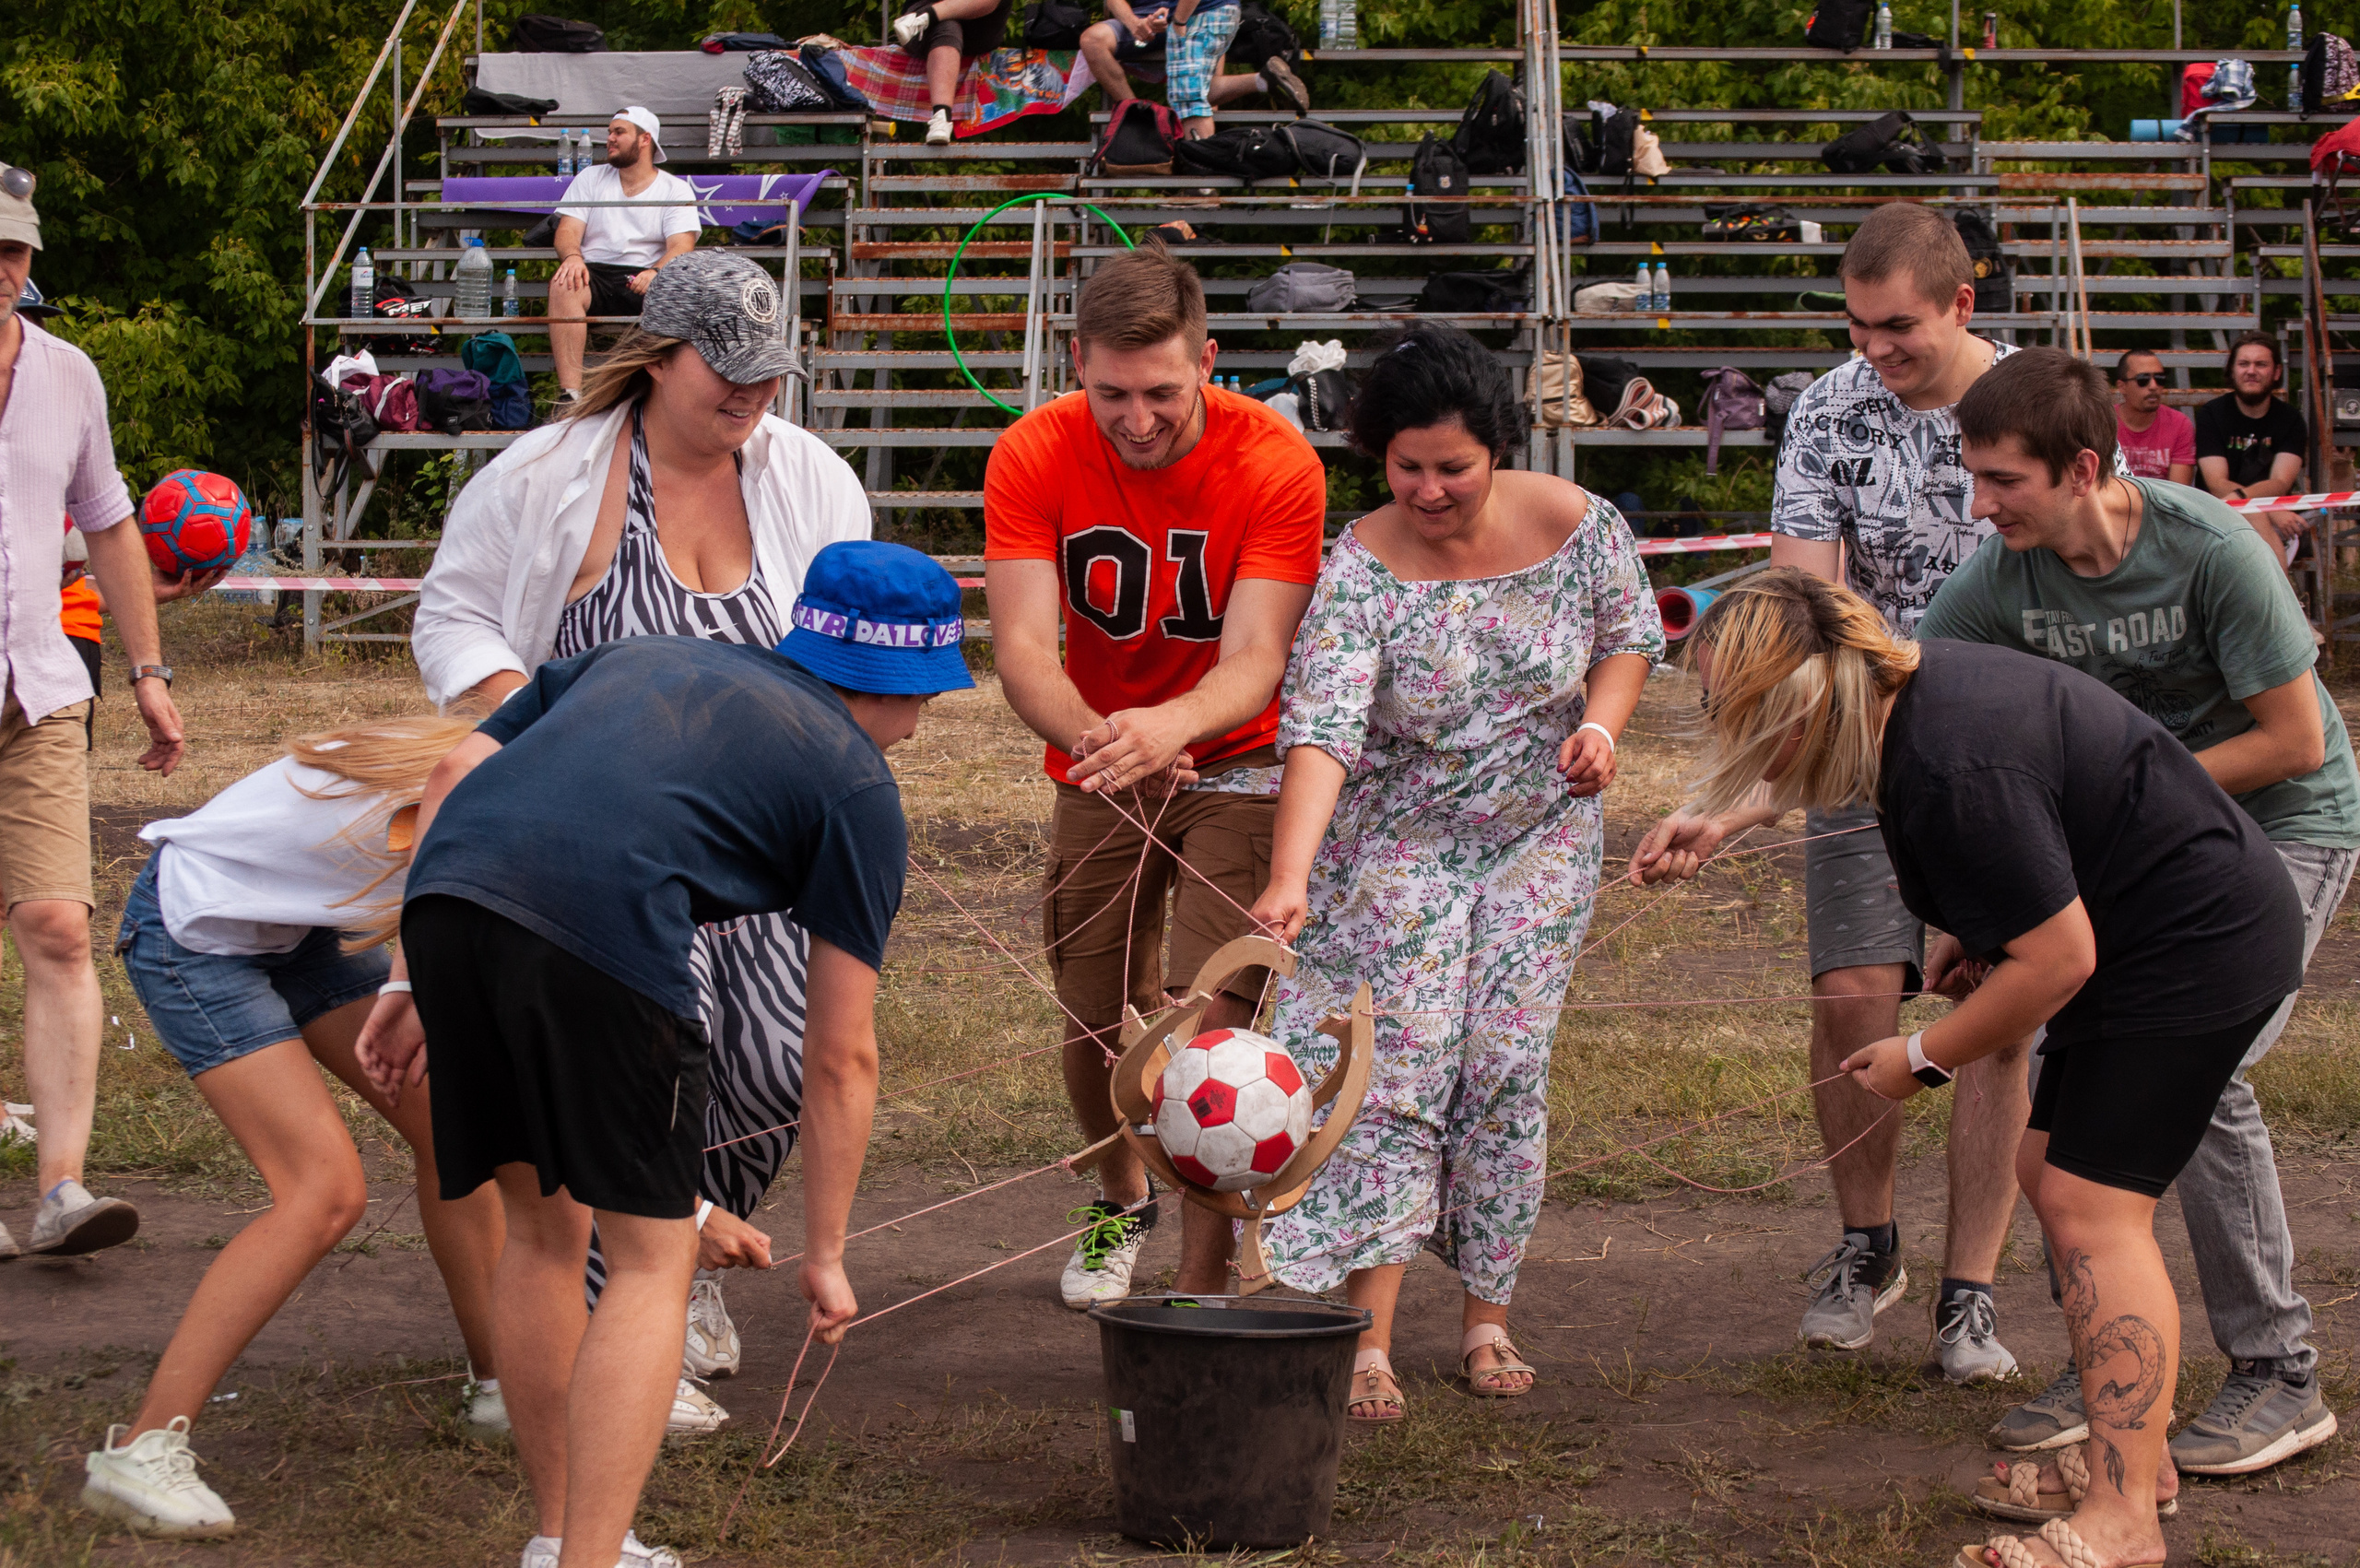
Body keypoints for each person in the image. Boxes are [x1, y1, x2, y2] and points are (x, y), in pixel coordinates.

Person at [1632, 569, 2306, 1568]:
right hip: (2148, 932)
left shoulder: (1948, 761)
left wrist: (1920, 1057)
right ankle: (2140, 1462)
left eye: (1739, 716)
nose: (1735, 742)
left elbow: (2061, 958)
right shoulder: (1911, 700)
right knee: (2047, 1175)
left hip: (2194, 944)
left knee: (2088, 1204)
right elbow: (2042, 867)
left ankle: (2122, 1523)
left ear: (1801, 699)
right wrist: (1988, 937)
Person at [359, 541, 964, 1568]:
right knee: (652, 1258)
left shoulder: (639, 655)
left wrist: (412, 974)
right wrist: (825, 1254)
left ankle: (563, 1540)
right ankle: (588, 1560)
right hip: (599, 933)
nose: (917, 726)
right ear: (903, 684)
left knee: (542, 1232)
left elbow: (457, 767)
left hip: (447, 898)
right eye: (928, 700)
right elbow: (839, 1056)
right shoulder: (858, 786)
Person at [413, 247, 869, 1432]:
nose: (751, 399)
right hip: (598, 824)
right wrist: (524, 703)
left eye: (769, 379)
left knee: (773, 1055)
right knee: (660, 1056)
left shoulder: (808, 476)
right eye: (727, 375)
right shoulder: (552, 473)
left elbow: (839, 652)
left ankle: (683, 1260)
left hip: (739, 822)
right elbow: (453, 609)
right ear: (659, 355)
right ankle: (636, 1311)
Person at [1918, 347, 2353, 1479]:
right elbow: (1920, 702)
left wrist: (2117, 809)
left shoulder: (2208, 548)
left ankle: (2277, 1371)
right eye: (1973, 477)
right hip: (2138, 837)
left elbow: (2292, 741)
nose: (1981, 505)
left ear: (2083, 467)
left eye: (2003, 481)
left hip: (2289, 824)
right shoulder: (1999, 579)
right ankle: (2115, 1350)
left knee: (2198, 1076)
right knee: (2095, 1086)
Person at [1247, 324, 1663, 1421]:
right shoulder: (1359, 571)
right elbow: (1323, 729)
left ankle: (1488, 1314)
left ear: (1500, 450)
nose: (1429, 490)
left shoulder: (1579, 526)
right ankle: (1369, 1333)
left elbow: (1628, 635)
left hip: (1541, 834)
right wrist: (1291, 876)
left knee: (1508, 1068)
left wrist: (1604, 730)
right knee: (1398, 1070)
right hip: (1395, 843)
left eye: (1453, 467)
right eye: (1407, 467)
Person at [1705, 200, 2054, 1379]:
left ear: (1962, 302)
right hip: (1864, 740)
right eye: (1856, 327)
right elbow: (1805, 597)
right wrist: (1771, 771)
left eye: (1896, 327)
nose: (1874, 351)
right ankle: (1865, 1246)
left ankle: (1971, 1291)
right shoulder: (1826, 411)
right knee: (1853, 993)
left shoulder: (2034, 403)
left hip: (2010, 751)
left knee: (1993, 1015)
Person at [982, 241, 1325, 1308]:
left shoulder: (1276, 460)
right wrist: (1107, 740)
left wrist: (1167, 728)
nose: (1136, 419)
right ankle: (1118, 1201)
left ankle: (1216, 1237)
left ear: (1209, 360)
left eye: (1164, 393)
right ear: (1073, 358)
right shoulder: (1030, 453)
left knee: (1212, 1016)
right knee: (1092, 1015)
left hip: (1238, 758)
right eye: (1111, 393)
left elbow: (1259, 655)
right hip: (1098, 757)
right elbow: (1024, 651)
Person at [78, 717, 506, 1538]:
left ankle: (499, 1388)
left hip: (302, 925)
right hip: (194, 931)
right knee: (323, 1192)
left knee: (457, 1126)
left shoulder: (509, 758)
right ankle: (142, 1450)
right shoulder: (485, 798)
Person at [0, 161, 193, 1262]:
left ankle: (62, 1189)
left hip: (40, 687)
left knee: (60, 925)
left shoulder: (70, 376)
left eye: (12, 250)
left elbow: (111, 525)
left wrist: (151, 674)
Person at [549, 107, 702, 402]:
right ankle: (570, 394)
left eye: (619, 132)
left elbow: (682, 247)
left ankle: (663, 398)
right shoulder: (590, 178)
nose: (610, 139)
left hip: (645, 274)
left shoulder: (674, 189)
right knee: (564, 282)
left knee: (674, 294)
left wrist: (655, 272)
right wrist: (572, 258)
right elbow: (567, 231)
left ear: (645, 140)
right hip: (594, 273)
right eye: (610, 132)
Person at [1080, 3, 1308, 121]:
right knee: (1092, 39)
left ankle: (1202, 185)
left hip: (1193, 16)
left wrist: (1177, 21)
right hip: (1145, 19)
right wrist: (1135, 24)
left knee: (1200, 97)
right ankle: (1141, 117)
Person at [2195, 333, 2310, 564]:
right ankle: (2284, 598)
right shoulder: (2212, 414)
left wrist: (2251, 503)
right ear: (2232, 370)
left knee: (2256, 516)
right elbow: (2216, 483)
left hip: (2271, 513)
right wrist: (2265, 510)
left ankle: (2278, 599)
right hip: (2218, 513)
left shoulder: (2291, 419)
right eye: (2243, 363)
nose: (2251, 371)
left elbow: (2280, 482)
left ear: (2276, 372)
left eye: (2261, 364)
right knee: (2254, 516)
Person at [891, 0, 1018, 146]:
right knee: (947, 26)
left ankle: (925, 17)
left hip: (980, 25)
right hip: (931, 27)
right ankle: (941, 119)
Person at [2111, 349, 2195, 486]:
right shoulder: (2102, 423)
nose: (2153, 386)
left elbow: (2179, 492)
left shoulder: (2179, 424)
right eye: (2143, 380)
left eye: (2160, 379)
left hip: (2162, 505)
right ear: (2122, 386)